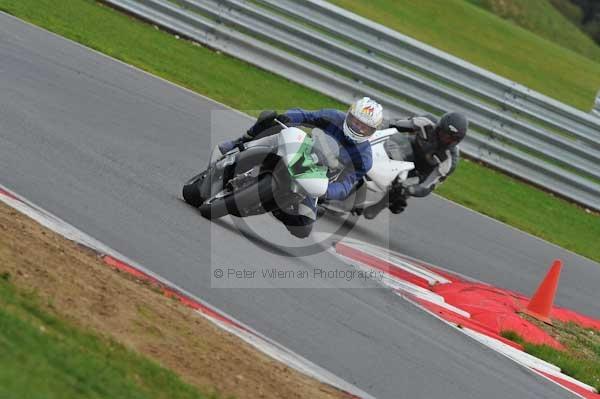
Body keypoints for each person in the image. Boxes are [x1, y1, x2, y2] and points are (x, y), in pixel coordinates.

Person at [218, 97, 384, 238]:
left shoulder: (364, 157)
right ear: (349, 115)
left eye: (365, 127)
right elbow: (306, 115)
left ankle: (276, 206)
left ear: (372, 131)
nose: (358, 128)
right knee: (270, 118)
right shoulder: (333, 116)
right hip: (299, 150)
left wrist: (327, 191)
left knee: (303, 228)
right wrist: (288, 117)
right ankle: (239, 143)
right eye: (356, 121)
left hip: (315, 178)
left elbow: (346, 184)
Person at [363, 112, 468, 219]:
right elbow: (393, 123)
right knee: (385, 142)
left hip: (419, 174)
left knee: (396, 195)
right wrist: (371, 132)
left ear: (457, 141)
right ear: (439, 127)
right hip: (405, 151)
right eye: (443, 133)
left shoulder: (450, 160)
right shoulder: (426, 122)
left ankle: (379, 206)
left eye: (450, 138)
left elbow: (427, 186)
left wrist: (408, 190)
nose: (444, 139)